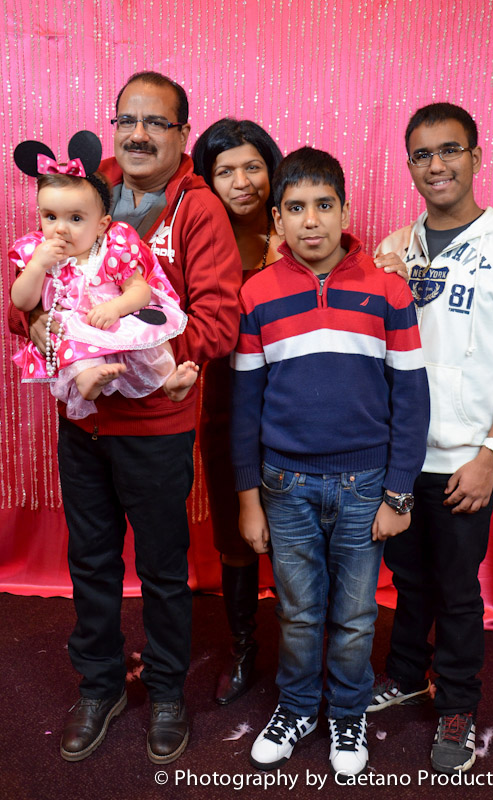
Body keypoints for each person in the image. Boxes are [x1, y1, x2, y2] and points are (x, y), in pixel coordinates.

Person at [8, 72, 241, 764]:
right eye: (126, 121)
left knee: (164, 568)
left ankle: (166, 691)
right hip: (82, 423)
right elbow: (27, 300)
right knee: (90, 560)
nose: (137, 134)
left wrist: (160, 362)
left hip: (156, 426)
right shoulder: (83, 187)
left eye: (156, 122)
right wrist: (45, 330)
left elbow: (218, 318)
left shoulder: (197, 209)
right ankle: (100, 685)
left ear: (182, 133)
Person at [231, 147, 430, 778]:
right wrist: (248, 499)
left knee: (354, 615)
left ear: (345, 211)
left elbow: (412, 398)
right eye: (295, 208)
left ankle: (347, 712)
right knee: (297, 611)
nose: (311, 220)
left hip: (365, 485)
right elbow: (245, 405)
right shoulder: (257, 295)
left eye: (324, 205)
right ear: (278, 219)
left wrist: (398, 494)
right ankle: (296, 707)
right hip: (284, 485)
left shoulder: (388, 290)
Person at [372, 102, 493, 775]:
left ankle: (457, 704)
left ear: (476, 157)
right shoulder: (397, 247)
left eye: (449, 150)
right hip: (399, 456)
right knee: (407, 578)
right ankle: (405, 675)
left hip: (466, 460)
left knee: (455, 588)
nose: (436, 165)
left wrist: (489, 457)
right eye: (422, 155)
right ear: (409, 165)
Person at [191, 119, 283, 705]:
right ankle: (243, 646)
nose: (242, 182)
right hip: (227, 401)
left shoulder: (297, 225)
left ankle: (307, 652)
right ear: (207, 180)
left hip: (300, 402)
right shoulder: (201, 237)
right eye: (225, 171)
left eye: (253, 166)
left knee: (304, 528)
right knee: (236, 531)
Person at [10, 133, 198, 419]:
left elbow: (141, 291)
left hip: (116, 318)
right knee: (66, 334)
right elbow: (22, 302)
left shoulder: (113, 248)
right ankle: (87, 379)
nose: (60, 229)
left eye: (75, 219)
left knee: (150, 328)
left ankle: (169, 380)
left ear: (101, 225)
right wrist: (36, 266)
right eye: (50, 217)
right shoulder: (38, 254)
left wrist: (117, 308)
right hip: (77, 325)